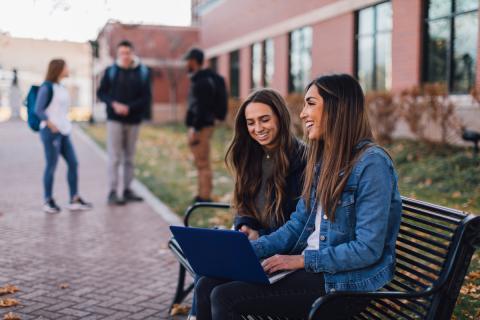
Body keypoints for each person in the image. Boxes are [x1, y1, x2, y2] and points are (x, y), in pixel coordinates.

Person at [195, 74, 403, 320]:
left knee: (226, 297)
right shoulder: (325, 160)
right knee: (209, 281)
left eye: (310, 103)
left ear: (337, 107)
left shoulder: (372, 163)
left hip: (341, 284)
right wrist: (249, 250)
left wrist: (301, 261)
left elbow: (367, 249)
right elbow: (296, 226)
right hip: (312, 270)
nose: (303, 113)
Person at [188, 88, 306, 319]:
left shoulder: (302, 160)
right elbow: (244, 203)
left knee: (217, 290)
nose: (258, 129)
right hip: (254, 246)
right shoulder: (250, 155)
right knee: (204, 280)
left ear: (280, 117)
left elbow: (299, 225)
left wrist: (259, 235)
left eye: (264, 119)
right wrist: (245, 224)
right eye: (251, 123)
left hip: (281, 252)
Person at [97, 40, 151, 205]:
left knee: (130, 157)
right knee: (114, 157)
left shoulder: (142, 72)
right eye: (122, 53)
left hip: (133, 120)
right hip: (115, 120)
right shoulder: (111, 71)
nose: (125, 56)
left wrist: (129, 107)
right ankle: (113, 192)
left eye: (127, 53)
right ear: (118, 54)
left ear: (132, 53)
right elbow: (101, 93)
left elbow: (146, 97)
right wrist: (115, 104)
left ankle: (127, 190)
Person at [35, 59, 92, 213]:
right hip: (51, 133)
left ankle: (74, 199)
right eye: (66, 67)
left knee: (73, 163)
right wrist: (50, 123)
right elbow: (38, 109)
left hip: (64, 132)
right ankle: (48, 200)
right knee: (51, 166)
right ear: (58, 69)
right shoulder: (47, 87)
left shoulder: (61, 87)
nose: (68, 69)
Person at [184, 48, 224, 203]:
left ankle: (205, 196)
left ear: (194, 61)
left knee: (203, 162)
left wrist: (195, 128)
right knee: (201, 162)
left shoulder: (202, 81)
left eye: (188, 60)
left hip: (201, 127)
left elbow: (201, 107)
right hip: (204, 125)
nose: (186, 63)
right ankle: (202, 194)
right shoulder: (205, 78)